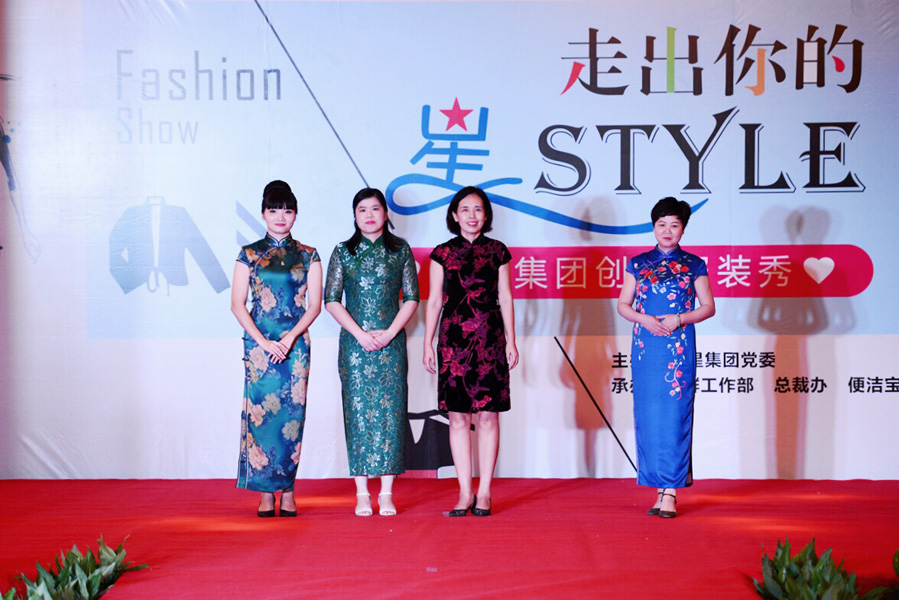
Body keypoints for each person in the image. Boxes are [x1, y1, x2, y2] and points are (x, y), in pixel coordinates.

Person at [617, 197, 715, 518]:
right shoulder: (638, 263)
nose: (667, 230)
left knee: (675, 415)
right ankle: (658, 488)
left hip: (677, 346)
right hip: (646, 347)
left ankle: (671, 491)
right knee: (649, 416)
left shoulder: (694, 264)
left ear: (683, 229)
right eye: (661, 224)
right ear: (653, 227)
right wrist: (643, 319)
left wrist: (679, 319)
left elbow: (708, 307)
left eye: (674, 225)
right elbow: (623, 305)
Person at [423, 186, 518, 517]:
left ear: (486, 215)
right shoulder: (442, 253)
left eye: (478, 209)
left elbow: (506, 297)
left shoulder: (498, 251)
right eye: (465, 209)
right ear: (454, 215)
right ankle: (464, 491)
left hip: (490, 338)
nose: (472, 215)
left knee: (489, 415)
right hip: (453, 341)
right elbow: (434, 301)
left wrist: (512, 340)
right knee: (458, 416)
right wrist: (427, 342)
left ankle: (485, 492)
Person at [324, 188, 419, 517]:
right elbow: (331, 300)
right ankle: (362, 493)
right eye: (362, 209)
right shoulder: (343, 251)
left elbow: (411, 298)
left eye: (375, 209)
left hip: (392, 345)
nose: (369, 215)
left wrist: (390, 332)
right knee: (359, 415)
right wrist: (361, 335)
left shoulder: (400, 250)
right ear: (354, 215)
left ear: (385, 214)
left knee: (392, 415)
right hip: (355, 346)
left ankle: (387, 493)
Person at [231, 180, 322, 517]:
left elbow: (314, 306)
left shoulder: (309, 254)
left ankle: (289, 491)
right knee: (262, 417)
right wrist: (264, 342)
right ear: (263, 214)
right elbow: (237, 304)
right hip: (259, 347)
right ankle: (266, 493)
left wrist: (288, 340)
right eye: (274, 210)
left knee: (292, 417)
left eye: (287, 210)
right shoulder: (249, 254)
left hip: (295, 346)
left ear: (296, 214)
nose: (280, 217)